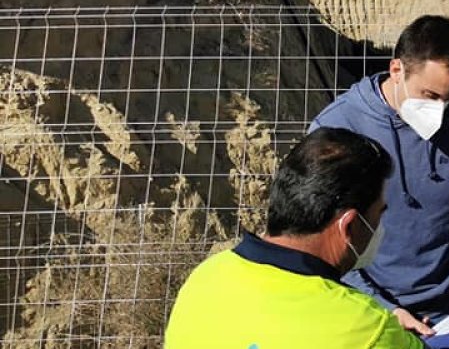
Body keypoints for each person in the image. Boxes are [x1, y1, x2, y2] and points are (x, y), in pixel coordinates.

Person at [309, 15, 449, 339]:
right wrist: (385, 310)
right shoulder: (337, 129)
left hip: (442, 320)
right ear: (397, 70)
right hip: (360, 313)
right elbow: (322, 242)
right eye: (430, 95)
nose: (440, 110)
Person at [164, 127, 424, 348]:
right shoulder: (367, 328)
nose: (380, 227)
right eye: (379, 214)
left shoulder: (205, 279)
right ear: (350, 226)